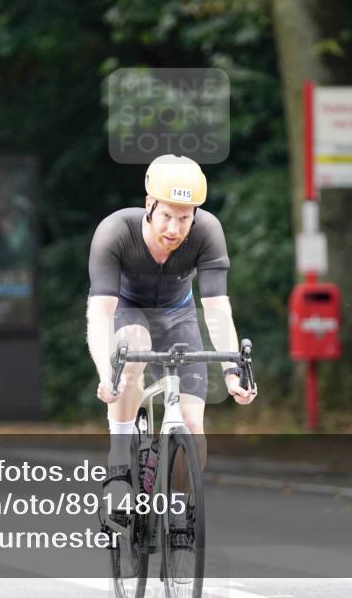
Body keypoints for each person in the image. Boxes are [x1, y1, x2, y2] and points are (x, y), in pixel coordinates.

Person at [86, 154, 257, 512]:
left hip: (179, 316)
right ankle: (119, 466)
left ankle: (178, 510)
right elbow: (100, 313)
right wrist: (107, 372)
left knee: (193, 425)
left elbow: (216, 308)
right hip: (127, 310)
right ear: (149, 204)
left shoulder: (208, 232)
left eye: (185, 218)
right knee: (133, 347)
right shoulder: (115, 231)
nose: (175, 229)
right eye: (166, 216)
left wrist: (231, 372)